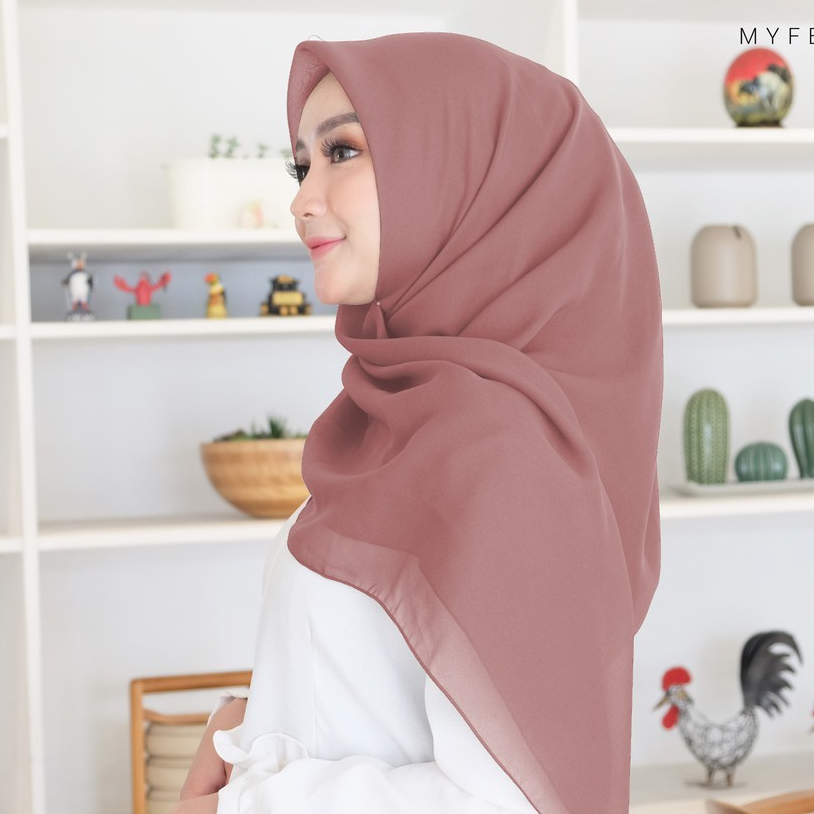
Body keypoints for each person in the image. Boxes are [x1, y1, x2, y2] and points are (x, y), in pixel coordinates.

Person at [171, 30, 664, 814]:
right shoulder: (398, 417)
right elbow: (378, 681)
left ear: (465, 174)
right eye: (302, 165)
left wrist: (248, 803)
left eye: (343, 152)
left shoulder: (500, 451)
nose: (302, 200)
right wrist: (251, 722)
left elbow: (512, 803)